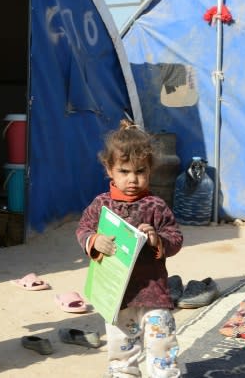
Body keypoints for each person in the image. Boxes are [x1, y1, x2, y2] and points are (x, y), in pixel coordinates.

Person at [76, 120, 184, 378]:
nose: (133, 179)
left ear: (151, 170)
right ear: (109, 169)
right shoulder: (101, 205)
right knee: (122, 355)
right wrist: (94, 241)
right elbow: (83, 230)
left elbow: (175, 237)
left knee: (163, 348)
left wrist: (158, 239)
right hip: (117, 298)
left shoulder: (155, 205)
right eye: (124, 171)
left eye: (140, 171)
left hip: (153, 294)